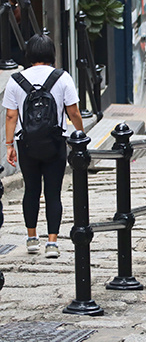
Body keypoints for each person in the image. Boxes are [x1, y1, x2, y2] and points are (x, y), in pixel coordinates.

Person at [3, 34, 84, 258]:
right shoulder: (62, 77)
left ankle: (31, 238)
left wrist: (9, 145)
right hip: (55, 142)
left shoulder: (16, 80)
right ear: (52, 54)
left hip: (26, 143)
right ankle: (52, 243)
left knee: (31, 190)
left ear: (28, 54)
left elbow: (11, 116)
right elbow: (73, 112)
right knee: (53, 192)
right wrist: (80, 135)